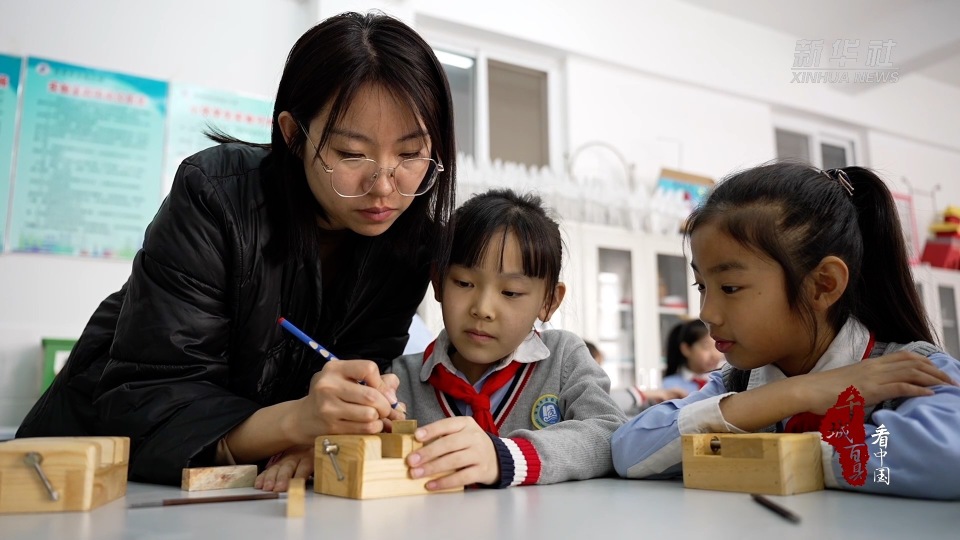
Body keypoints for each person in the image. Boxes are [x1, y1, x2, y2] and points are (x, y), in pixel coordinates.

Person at [16, 11, 458, 486]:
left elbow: (356, 378)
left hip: (240, 493)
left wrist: (343, 433)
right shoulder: (217, 196)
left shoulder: (410, 245)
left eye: (410, 154)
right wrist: (297, 423)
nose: (384, 186)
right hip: (80, 476)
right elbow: (144, 402)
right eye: (351, 154)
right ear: (293, 136)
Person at [611, 162, 960, 500]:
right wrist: (798, 393)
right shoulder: (739, 382)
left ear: (823, 285)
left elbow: (946, 459)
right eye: (702, 286)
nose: (707, 313)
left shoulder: (911, 371)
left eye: (730, 288)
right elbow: (629, 451)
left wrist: (767, 456)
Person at [255, 188, 627, 491]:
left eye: (511, 292)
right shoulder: (398, 382)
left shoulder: (562, 358)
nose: (483, 308)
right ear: (437, 282)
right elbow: (360, 450)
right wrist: (323, 451)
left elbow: (609, 435)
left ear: (549, 300)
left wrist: (505, 456)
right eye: (464, 283)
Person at [585, 340, 688, 416]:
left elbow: (626, 413)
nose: (600, 374)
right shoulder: (587, 401)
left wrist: (652, 401)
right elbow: (604, 402)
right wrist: (649, 394)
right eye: (597, 366)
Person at [660, 319, 724, 394]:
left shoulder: (724, 382)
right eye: (706, 347)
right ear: (686, 349)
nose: (715, 355)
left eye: (717, 345)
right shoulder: (668, 387)